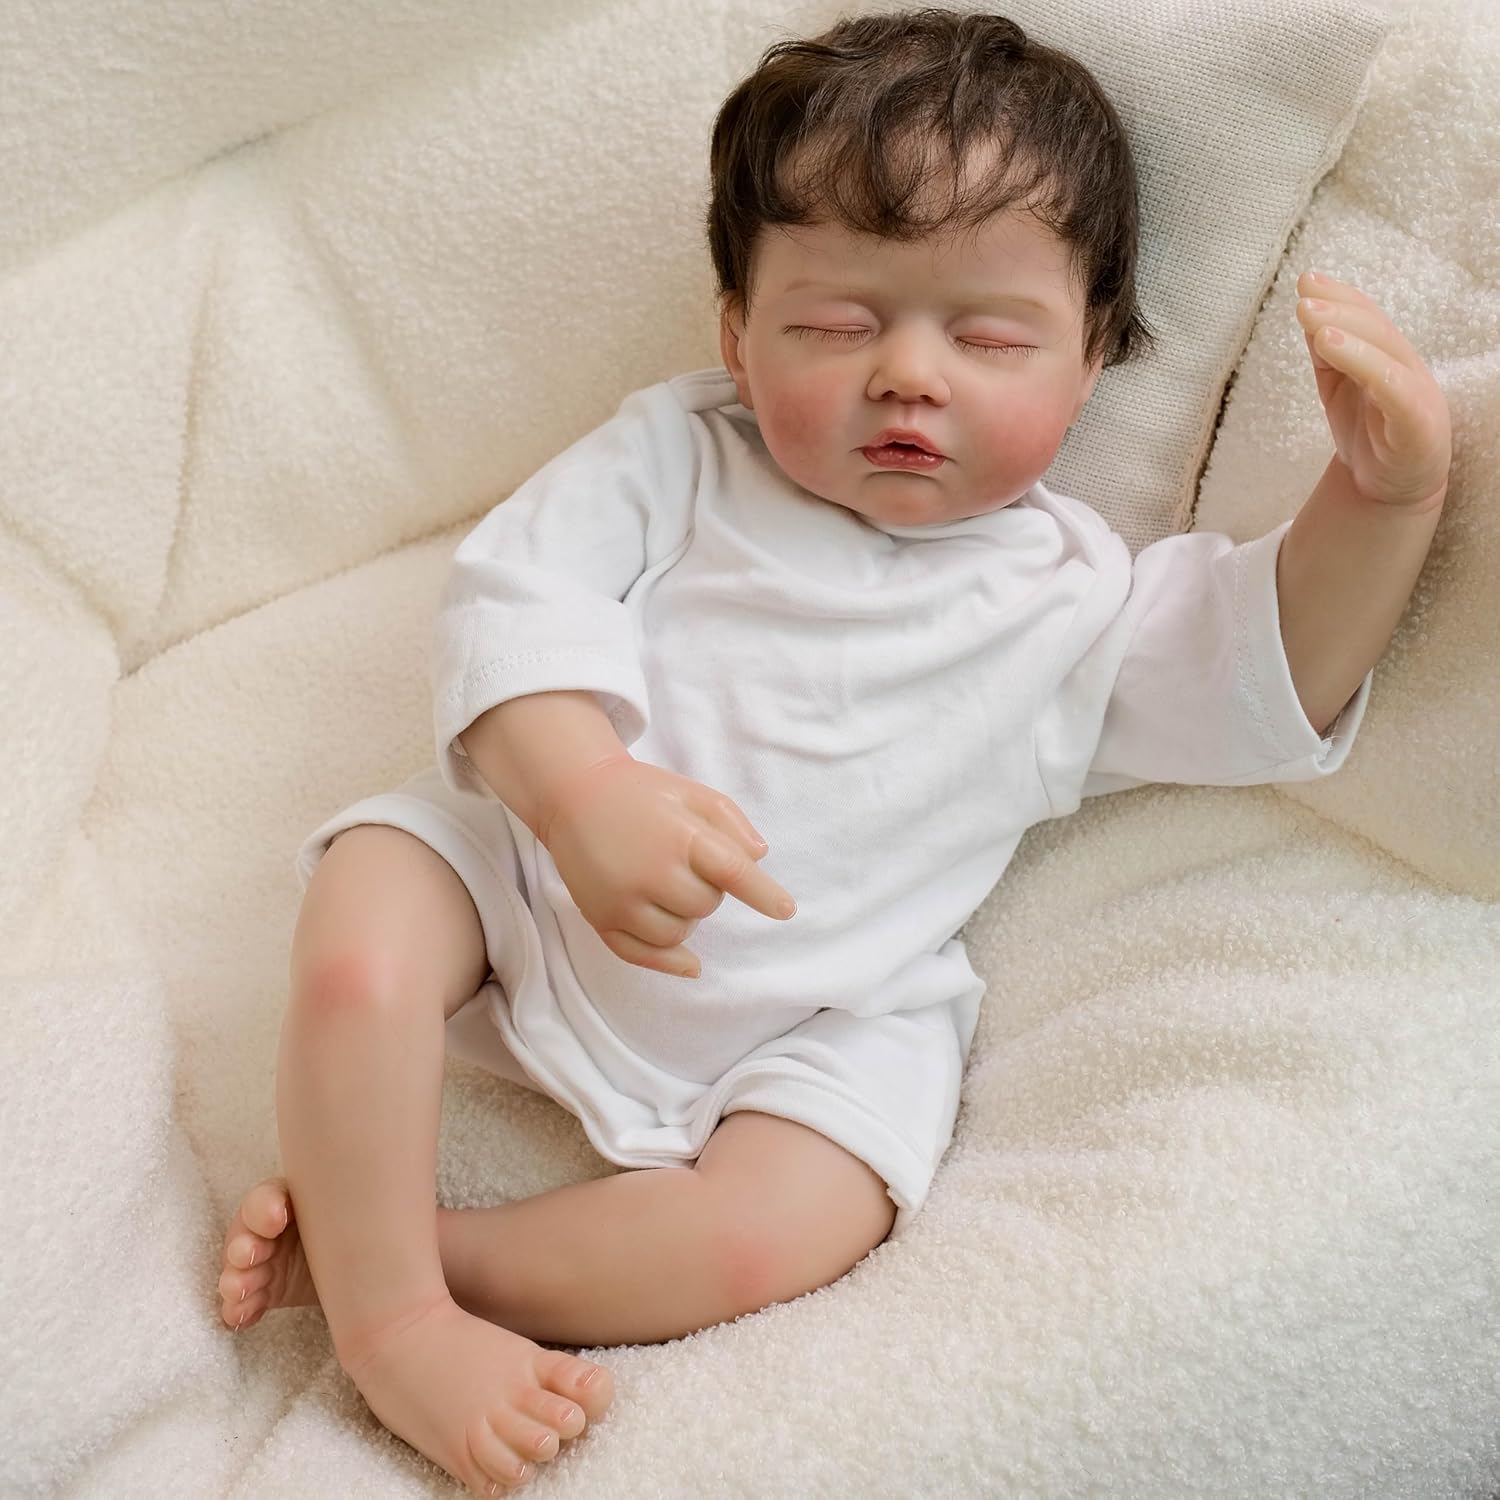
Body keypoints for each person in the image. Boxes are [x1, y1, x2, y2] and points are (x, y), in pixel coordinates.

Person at [214, 8, 1451, 1495]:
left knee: (776, 1230)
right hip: (528, 876)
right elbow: (513, 603)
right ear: (736, 337)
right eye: (836, 325)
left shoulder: (1077, 603)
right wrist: (581, 787)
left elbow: (1270, 663)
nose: (909, 374)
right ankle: (395, 1324)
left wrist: (1382, 503)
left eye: (989, 338)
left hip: (824, 1005)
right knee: (365, 920)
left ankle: (422, 1261)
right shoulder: (678, 455)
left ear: (1092, 361)